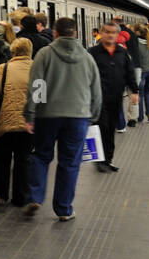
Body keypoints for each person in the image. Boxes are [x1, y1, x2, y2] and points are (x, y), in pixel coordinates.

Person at [23, 17, 101, 221]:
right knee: (69, 163)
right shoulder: (87, 57)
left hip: (47, 115)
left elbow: (37, 85)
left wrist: (31, 113)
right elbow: (96, 91)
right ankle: (64, 209)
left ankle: (35, 197)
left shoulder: (45, 54)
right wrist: (93, 115)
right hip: (78, 117)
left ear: (55, 33)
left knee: (41, 156)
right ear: (75, 33)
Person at [88, 21, 140, 173]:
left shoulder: (122, 53)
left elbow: (129, 72)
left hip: (116, 98)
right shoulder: (93, 53)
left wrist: (135, 91)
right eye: (107, 32)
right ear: (102, 33)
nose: (110, 35)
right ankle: (101, 160)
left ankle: (108, 159)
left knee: (110, 129)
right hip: (98, 99)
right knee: (102, 127)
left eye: (113, 33)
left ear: (117, 35)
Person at [0, 37, 35, 207]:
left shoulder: (4, 68)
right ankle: (21, 197)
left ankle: (1, 195)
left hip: (6, 122)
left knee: (2, 159)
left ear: (13, 51)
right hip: (28, 124)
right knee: (23, 160)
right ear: (29, 51)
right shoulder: (38, 68)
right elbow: (41, 98)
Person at [130, 23, 149, 124]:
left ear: (137, 32)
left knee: (140, 94)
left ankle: (140, 117)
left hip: (142, 71)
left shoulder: (136, 43)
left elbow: (135, 58)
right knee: (148, 92)